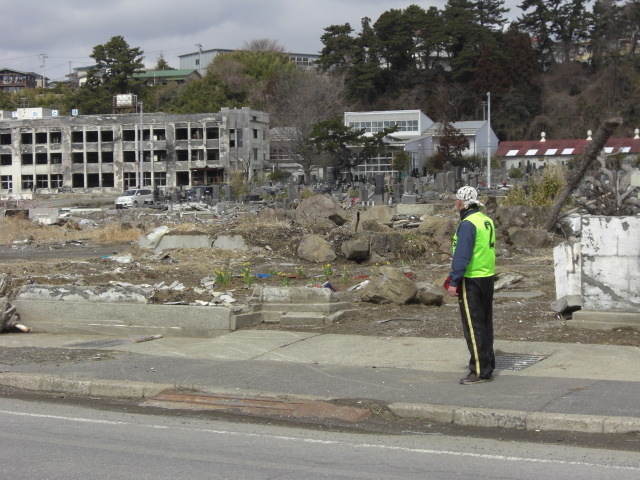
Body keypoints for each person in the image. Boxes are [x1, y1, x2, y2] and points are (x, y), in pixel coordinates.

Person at [446, 186, 496, 385]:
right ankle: (488, 362)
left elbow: (462, 254)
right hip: (487, 275)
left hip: (472, 277)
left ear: (461, 203)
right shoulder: (486, 220)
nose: (455, 203)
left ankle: (479, 370)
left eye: (456, 200)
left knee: (473, 326)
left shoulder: (467, 224)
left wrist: (454, 280)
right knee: (485, 323)